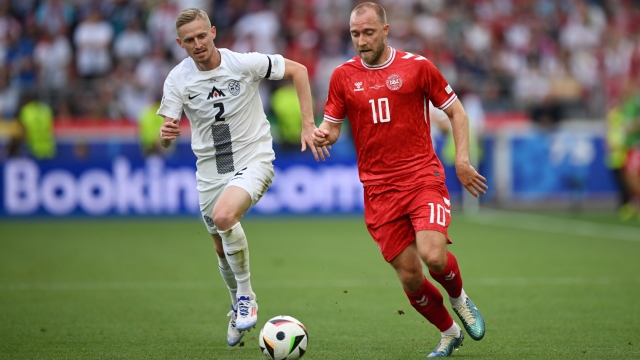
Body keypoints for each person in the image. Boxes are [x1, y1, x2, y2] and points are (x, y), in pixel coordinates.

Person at [313, 3, 486, 358]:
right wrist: (322, 135)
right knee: (410, 276)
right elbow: (332, 126)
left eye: (368, 33)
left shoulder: (417, 67)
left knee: (433, 255)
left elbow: (456, 111)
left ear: (386, 30)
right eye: (355, 34)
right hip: (378, 190)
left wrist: (463, 160)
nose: (361, 40)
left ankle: (460, 300)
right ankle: (449, 333)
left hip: (422, 176)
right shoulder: (342, 76)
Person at [157, 8, 328, 347]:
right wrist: (165, 133)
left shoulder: (243, 63)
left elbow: (299, 70)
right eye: (189, 40)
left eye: (202, 36)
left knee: (224, 216)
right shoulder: (177, 79)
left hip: (255, 158)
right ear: (180, 43)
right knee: (220, 246)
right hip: (209, 170)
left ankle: (247, 297)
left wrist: (309, 123)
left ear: (213, 32)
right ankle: (236, 305)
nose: (197, 44)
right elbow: (164, 136)